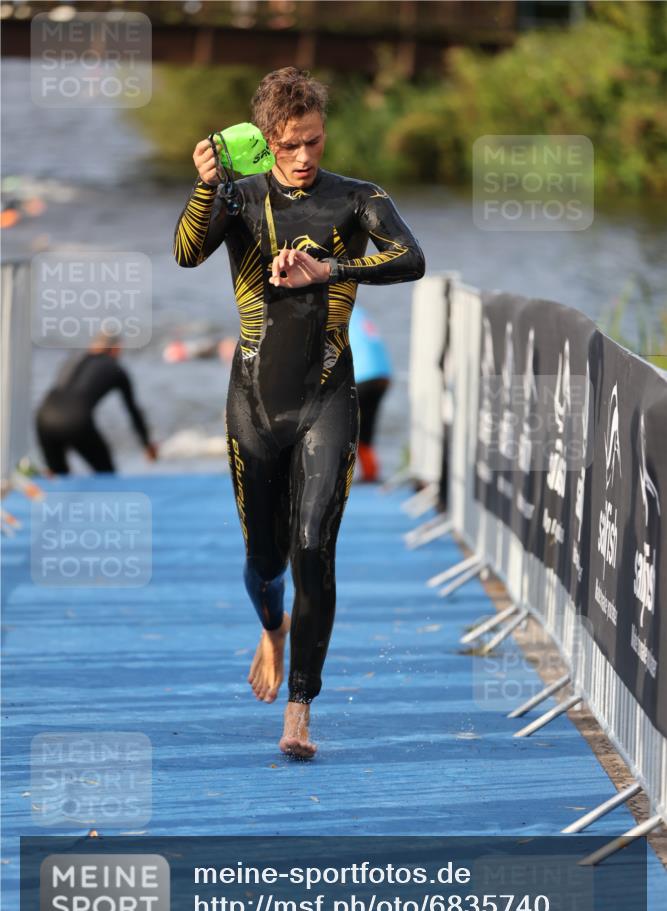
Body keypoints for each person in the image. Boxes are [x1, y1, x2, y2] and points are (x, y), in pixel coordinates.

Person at [173, 66, 425, 758]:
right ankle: (271, 627)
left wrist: (333, 271)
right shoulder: (239, 197)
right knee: (265, 556)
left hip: (325, 397)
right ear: (266, 140)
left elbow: (411, 258)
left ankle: (300, 707)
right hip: (253, 403)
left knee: (313, 546)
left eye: (313, 141)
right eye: (288, 145)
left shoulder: (356, 198)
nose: (305, 157)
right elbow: (186, 253)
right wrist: (203, 187)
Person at [35, 332, 157, 474]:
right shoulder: (115, 368)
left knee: (58, 478)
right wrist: (147, 445)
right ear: (116, 349)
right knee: (107, 476)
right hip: (76, 420)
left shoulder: (73, 359)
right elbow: (133, 410)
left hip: (43, 417)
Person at [347, 306, 393, 483]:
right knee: (366, 427)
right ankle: (370, 472)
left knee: (344, 425)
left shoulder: (334, 308)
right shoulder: (357, 311)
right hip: (382, 374)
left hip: (362, 374)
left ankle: (341, 474)